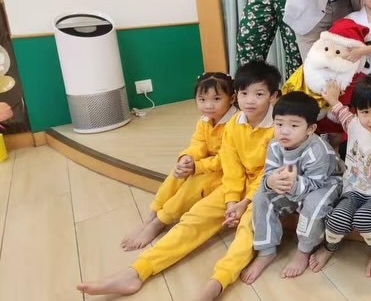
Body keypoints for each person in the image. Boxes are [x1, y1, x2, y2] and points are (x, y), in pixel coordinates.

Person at [76, 61, 281, 300]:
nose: (250, 101)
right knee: (194, 218)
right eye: (244, 94)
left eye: (259, 94)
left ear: (273, 96)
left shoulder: (278, 128)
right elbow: (232, 166)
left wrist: (244, 203)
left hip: (264, 190)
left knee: (247, 230)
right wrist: (231, 201)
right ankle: (137, 271)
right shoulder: (235, 124)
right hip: (234, 186)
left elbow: (269, 172)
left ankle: (217, 282)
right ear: (237, 95)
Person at [120, 72, 237, 251]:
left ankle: (160, 222)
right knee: (176, 173)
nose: (208, 105)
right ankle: (152, 214)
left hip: (227, 171)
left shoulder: (236, 123)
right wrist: (187, 159)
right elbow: (198, 143)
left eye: (216, 99)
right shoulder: (205, 120)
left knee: (192, 186)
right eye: (202, 99)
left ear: (232, 98)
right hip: (207, 164)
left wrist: (197, 167)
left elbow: (227, 159)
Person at [243, 91, 341, 281]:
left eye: (294, 125)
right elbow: (268, 173)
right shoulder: (274, 145)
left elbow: (316, 182)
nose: (284, 131)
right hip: (293, 184)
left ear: (310, 129)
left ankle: (304, 250)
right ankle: (266, 250)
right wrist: (270, 182)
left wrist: (293, 183)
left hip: (325, 183)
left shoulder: (318, 150)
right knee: (261, 195)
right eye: (279, 124)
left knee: (314, 203)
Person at [309, 73, 371, 277]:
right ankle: (330, 247)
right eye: (365, 112)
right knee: (336, 220)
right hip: (352, 191)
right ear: (356, 111)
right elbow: (342, 113)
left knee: (364, 219)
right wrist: (333, 99)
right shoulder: (355, 124)